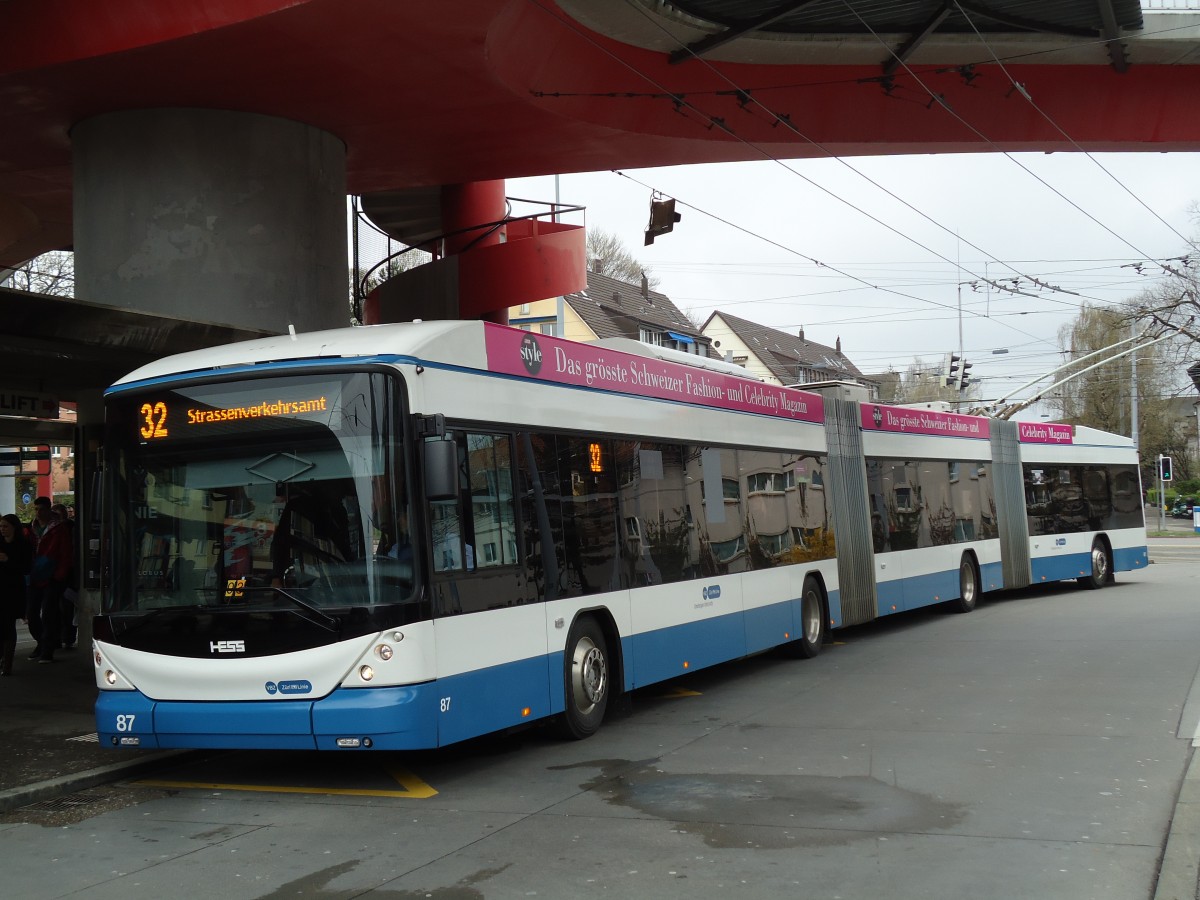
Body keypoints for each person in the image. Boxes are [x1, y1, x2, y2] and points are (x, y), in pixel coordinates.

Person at [26, 497, 72, 663]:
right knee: (31, 613)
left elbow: (65, 553)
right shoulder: (32, 528)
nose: (38, 513)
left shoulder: (58, 528)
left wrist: (59, 575)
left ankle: (47, 649)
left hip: (52, 577)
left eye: (41, 509)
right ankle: (42, 643)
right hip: (36, 576)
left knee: (48, 613)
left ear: (48, 510)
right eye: (36, 509)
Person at [0, 514, 32, 676]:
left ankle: (8, 664)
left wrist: (8, 560)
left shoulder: (23, 545)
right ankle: (3, 661)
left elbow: (26, 568)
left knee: (8, 625)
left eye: (5, 526)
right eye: (1, 527)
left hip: (13, 591)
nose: (2, 530)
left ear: (14, 527)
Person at [51, 503, 79, 649]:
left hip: (67, 574)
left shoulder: (69, 528)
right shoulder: (56, 529)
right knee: (60, 608)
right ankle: (63, 637)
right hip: (60, 573)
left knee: (66, 608)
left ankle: (67, 637)